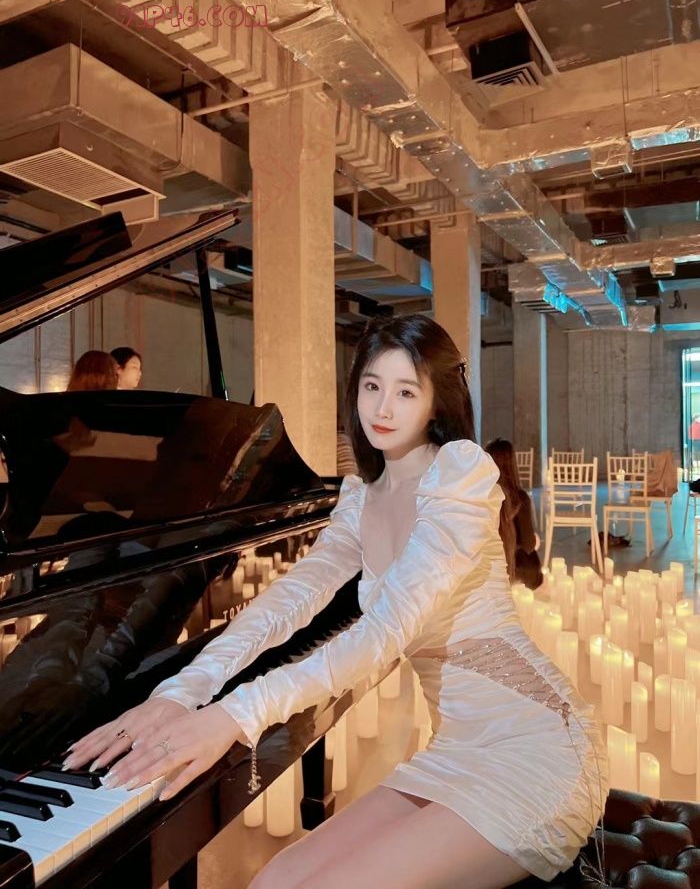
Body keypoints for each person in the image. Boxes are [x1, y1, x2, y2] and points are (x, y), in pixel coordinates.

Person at [64, 315, 607, 889]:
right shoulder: (363, 497)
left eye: (406, 391)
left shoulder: (458, 476)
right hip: (454, 749)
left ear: (436, 403)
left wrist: (234, 715)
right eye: (372, 386)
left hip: (537, 749)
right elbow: (288, 600)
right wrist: (183, 691)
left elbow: (383, 633)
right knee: (271, 883)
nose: (383, 408)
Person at [485, 438, 543, 590]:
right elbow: (529, 545)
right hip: (515, 571)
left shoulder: (481, 496)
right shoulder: (520, 499)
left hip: (487, 570)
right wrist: (535, 539)